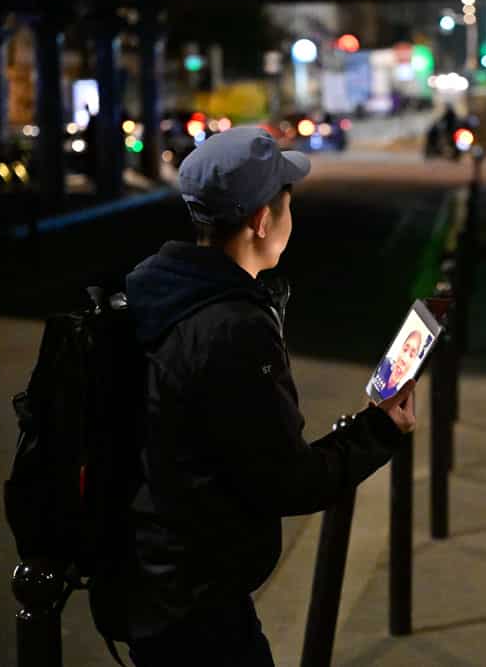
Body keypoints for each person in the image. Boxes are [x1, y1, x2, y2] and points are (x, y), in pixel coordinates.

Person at [120, 126, 415, 666]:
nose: (290, 219)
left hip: (155, 578)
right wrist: (379, 430)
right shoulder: (230, 328)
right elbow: (287, 479)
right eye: (286, 205)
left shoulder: (160, 293)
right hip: (198, 604)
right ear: (261, 220)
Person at [372, 330, 425, 401]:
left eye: (411, 355)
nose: (404, 359)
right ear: (400, 349)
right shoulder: (384, 364)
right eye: (405, 349)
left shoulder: (399, 396)